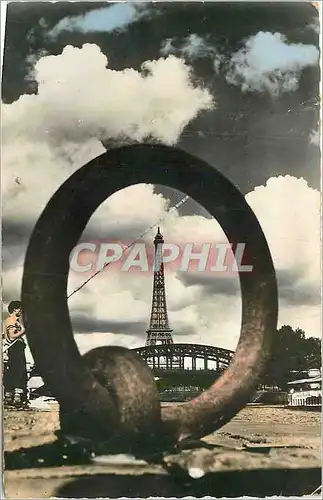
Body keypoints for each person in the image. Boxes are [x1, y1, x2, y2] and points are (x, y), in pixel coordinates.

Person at [2, 301, 28, 409]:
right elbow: (12, 336)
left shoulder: (12, 321)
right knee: (19, 371)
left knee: (14, 371)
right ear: (15, 309)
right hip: (15, 349)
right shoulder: (11, 321)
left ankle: (10, 398)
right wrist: (25, 330)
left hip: (16, 349)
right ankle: (16, 399)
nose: (21, 311)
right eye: (20, 309)